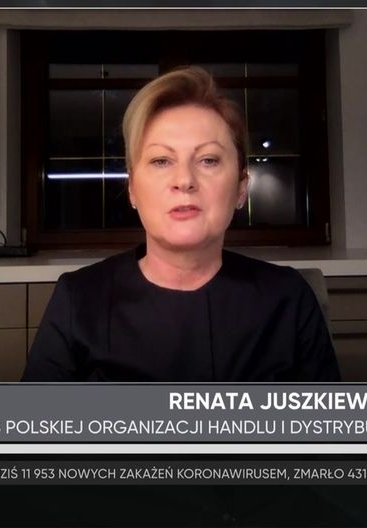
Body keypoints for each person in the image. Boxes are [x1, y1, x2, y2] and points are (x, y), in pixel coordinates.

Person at [22, 66, 340, 382]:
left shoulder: (288, 300)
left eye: (208, 160)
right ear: (132, 189)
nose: (184, 180)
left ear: (241, 187)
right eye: (161, 161)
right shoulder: (78, 300)